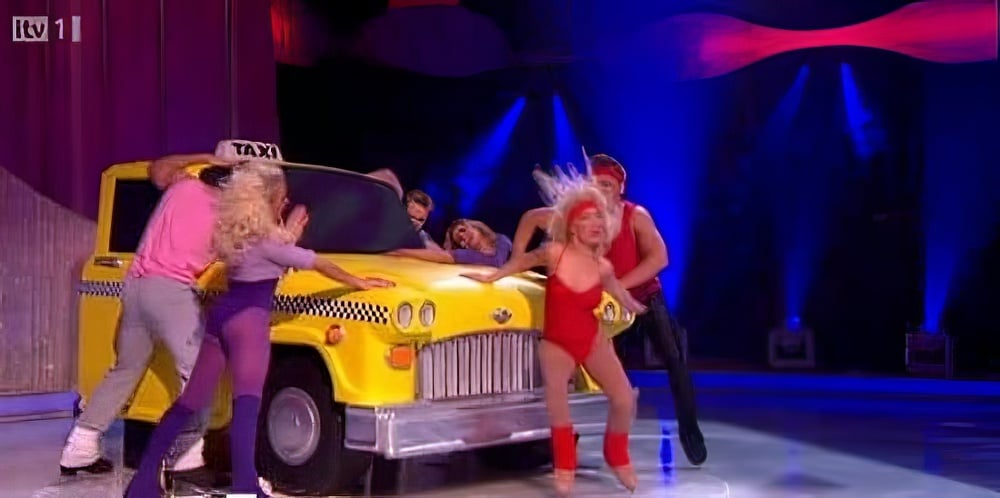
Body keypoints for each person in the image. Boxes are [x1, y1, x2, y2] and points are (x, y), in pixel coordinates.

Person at [124, 162, 394, 498]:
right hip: (248, 323)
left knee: (189, 402)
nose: (285, 202)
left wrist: (289, 231)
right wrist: (359, 282)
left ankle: (143, 480)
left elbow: (276, 247)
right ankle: (244, 487)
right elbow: (318, 263)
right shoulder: (269, 242)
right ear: (267, 199)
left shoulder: (235, 234)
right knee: (247, 407)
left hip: (221, 319)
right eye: (281, 197)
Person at [462, 167, 646, 495]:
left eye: (599, 218)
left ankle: (616, 453)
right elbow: (520, 262)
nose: (596, 223)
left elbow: (619, 292)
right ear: (572, 226)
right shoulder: (554, 254)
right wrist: (491, 277)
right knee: (558, 403)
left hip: (591, 340)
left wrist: (632, 304)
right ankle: (564, 464)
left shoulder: (603, 266)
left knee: (623, 399)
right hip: (557, 344)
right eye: (587, 218)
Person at [59, 153, 234, 477]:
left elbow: (158, 169)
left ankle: (79, 448)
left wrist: (202, 156)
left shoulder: (183, 187)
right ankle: (186, 458)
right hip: (170, 289)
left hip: (137, 287)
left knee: (126, 368)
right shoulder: (228, 212)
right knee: (200, 372)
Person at [589, 153, 708, 466]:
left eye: (606, 184)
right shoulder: (586, 219)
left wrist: (620, 286)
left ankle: (690, 430)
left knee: (675, 359)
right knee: (599, 368)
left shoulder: (636, 215)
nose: (600, 189)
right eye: (595, 183)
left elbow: (659, 258)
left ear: (620, 188)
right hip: (610, 305)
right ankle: (592, 437)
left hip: (645, 299)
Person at [389, 218, 512, 268]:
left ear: (474, 226)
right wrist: (397, 251)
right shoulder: (468, 256)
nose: (463, 237)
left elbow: (498, 261)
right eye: (460, 240)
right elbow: (442, 255)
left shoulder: (501, 240)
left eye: (462, 230)